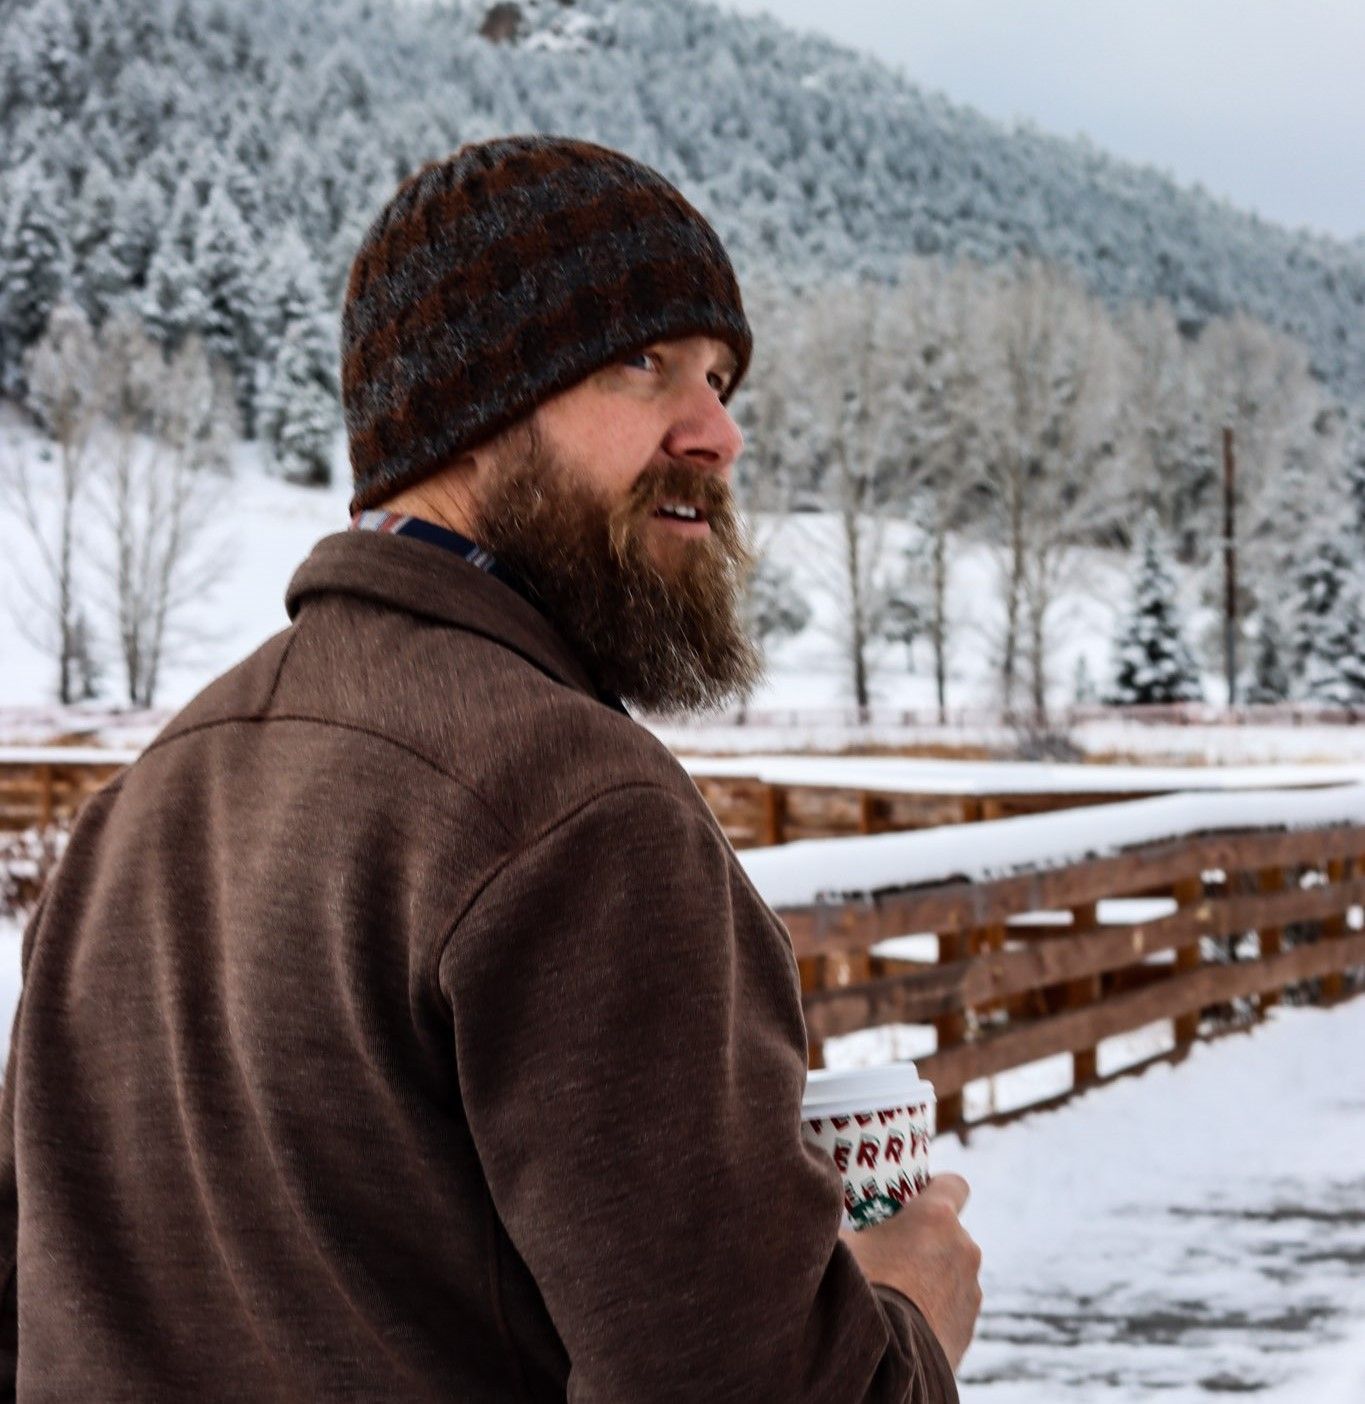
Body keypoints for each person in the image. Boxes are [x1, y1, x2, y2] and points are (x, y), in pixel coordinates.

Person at [0, 135, 980, 1400]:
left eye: (722, 376)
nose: (720, 430)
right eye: (645, 362)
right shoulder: (576, 809)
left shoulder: (146, 799)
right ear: (467, 402)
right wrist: (904, 1312)